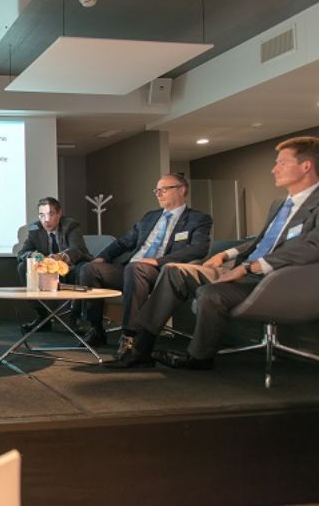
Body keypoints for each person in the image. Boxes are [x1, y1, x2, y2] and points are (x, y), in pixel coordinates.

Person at [106, 136, 319, 369]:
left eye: (282, 163)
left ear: (306, 166)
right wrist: (226, 255)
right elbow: (260, 242)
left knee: (211, 293)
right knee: (173, 271)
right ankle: (140, 349)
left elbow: (312, 246)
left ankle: (198, 358)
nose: (274, 169)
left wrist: (250, 267)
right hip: (245, 272)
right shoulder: (279, 203)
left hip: (276, 280)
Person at [77, 173, 213, 350]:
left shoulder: (198, 219)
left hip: (162, 272)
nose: (158, 194)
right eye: (157, 190)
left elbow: (198, 249)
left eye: (164, 189)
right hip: (131, 269)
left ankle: (130, 335)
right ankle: (95, 329)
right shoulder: (150, 217)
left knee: (136, 268)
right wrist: (103, 257)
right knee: (90, 269)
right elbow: (124, 242)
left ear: (182, 190)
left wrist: (158, 261)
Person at [17, 196, 91, 331]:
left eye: (50, 214)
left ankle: (74, 317)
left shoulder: (70, 225)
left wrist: (61, 256)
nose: (46, 220)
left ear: (59, 213)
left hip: (71, 268)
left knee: (83, 270)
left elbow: (77, 249)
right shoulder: (35, 228)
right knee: (23, 267)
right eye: (42, 215)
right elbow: (22, 253)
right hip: (48, 271)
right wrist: (33, 255)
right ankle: (42, 316)